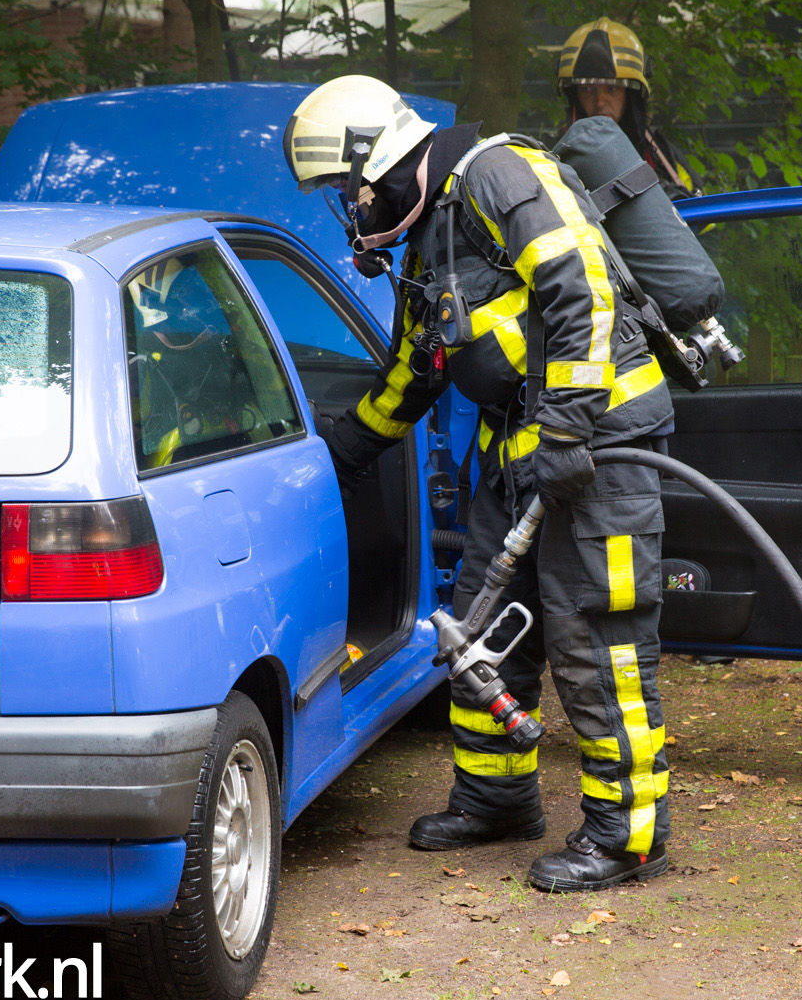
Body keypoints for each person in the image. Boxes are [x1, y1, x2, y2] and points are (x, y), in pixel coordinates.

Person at [283, 75, 673, 892]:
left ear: (377, 163)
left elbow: (585, 292)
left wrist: (568, 427)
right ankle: (496, 800)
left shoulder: (500, 176)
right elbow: (415, 371)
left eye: (344, 189)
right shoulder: (434, 237)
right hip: (518, 452)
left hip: (601, 445)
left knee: (597, 637)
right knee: (481, 628)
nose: (347, 208)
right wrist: (337, 454)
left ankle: (627, 835)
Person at [558, 17, 695, 198]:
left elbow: (697, 213)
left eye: (612, 89)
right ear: (574, 95)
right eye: (587, 89)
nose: (600, 102)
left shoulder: (664, 159)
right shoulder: (552, 159)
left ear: (631, 95)